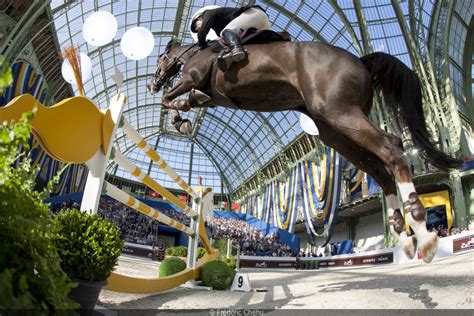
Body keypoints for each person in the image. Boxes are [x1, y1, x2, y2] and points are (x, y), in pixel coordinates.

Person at [190, 5, 271, 71]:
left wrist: (201, 44)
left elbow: (203, 32)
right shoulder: (219, 26)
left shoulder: (207, 13)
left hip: (254, 14)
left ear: (199, 18)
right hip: (263, 25)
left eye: (196, 27)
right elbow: (222, 41)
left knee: (225, 32)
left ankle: (237, 50)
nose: (198, 30)